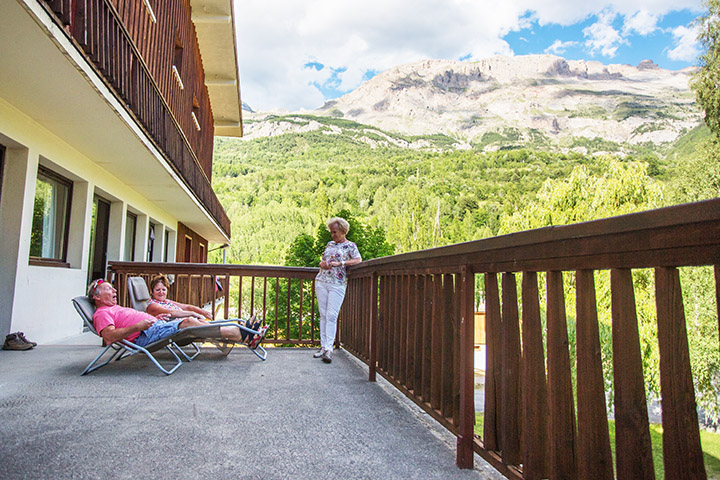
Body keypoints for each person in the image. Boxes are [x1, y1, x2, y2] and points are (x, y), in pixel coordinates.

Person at [87, 279, 265, 349]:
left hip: (154, 326)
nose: (114, 290)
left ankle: (245, 333)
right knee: (188, 322)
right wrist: (139, 325)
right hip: (145, 335)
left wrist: (152, 319)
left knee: (191, 321)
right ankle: (243, 335)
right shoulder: (102, 314)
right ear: (97, 296)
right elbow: (109, 337)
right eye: (108, 289)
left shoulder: (113, 308)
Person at [314, 217, 362, 363]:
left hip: (338, 283)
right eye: (331, 232)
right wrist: (323, 264)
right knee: (323, 314)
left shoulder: (350, 246)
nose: (332, 235)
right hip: (322, 281)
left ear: (343, 231)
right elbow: (323, 260)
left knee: (332, 315)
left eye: (334, 232)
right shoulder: (329, 244)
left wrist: (340, 263)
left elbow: (358, 259)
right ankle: (323, 347)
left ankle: (329, 349)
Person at [145, 274, 214, 320]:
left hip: (186, 323)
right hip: (176, 327)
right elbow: (171, 313)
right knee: (193, 321)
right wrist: (193, 314)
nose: (161, 292)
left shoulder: (167, 301)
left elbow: (187, 307)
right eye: (157, 290)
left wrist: (203, 312)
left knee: (202, 322)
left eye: (163, 289)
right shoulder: (152, 305)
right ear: (152, 291)